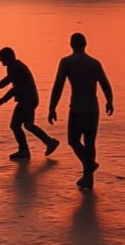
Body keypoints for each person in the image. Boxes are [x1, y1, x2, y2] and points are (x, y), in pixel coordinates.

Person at [48, 32, 113, 190]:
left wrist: (52, 107)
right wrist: (109, 101)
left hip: (77, 108)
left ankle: (89, 167)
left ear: (71, 44)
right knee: (90, 143)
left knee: (73, 140)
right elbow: (105, 83)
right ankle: (88, 178)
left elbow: (58, 86)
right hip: (92, 108)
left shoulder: (66, 62)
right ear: (85, 44)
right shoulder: (94, 63)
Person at [0, 47, 59, 161]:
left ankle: (26, 149)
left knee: (15, 125)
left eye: (2, 59)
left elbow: (16, 88)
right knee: (28, 125)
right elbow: (9, 79)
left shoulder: (16, 67)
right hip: (29, 99)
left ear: (8, 58)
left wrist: (3, 100)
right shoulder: (14, 66)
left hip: (27, 100)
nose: (1, 61)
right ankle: (48, 142)